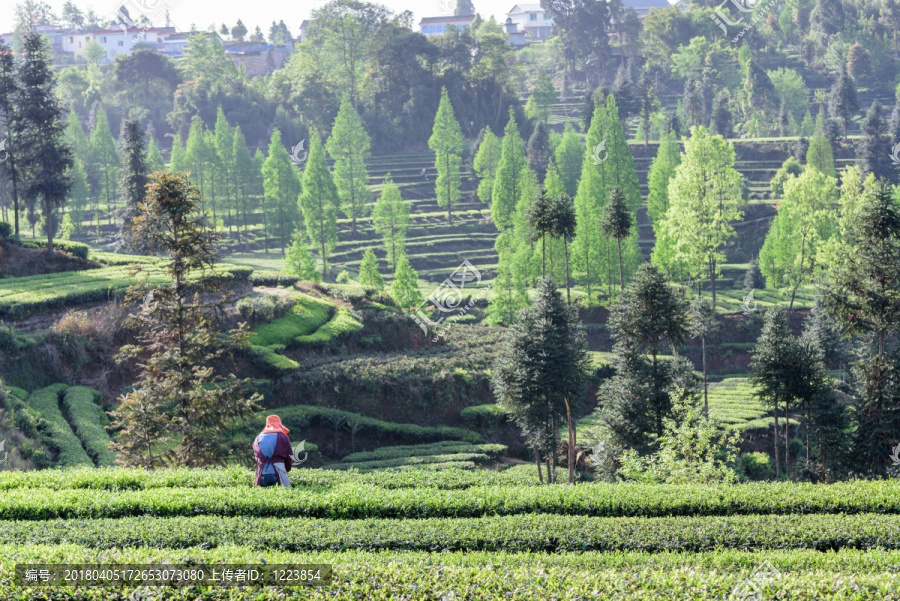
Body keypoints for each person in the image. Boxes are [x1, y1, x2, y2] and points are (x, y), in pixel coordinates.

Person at [253, 415, 294, 487]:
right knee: (284, 496)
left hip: (262, 472)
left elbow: (257, 456)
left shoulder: (258, 438)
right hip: (278, 471)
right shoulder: (283, 437)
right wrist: (287, 469)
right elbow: (289, 456)